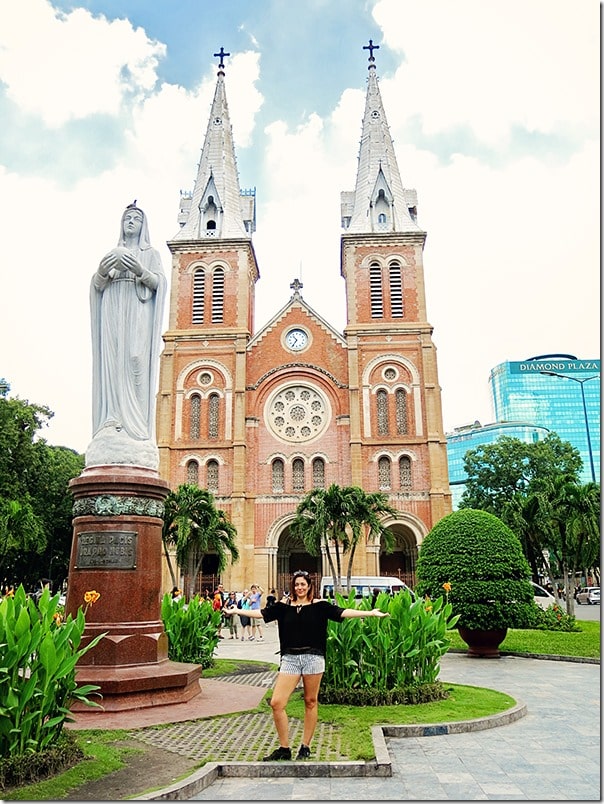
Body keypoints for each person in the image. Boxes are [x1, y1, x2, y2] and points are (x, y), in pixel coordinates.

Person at [225, 569, 389, 761]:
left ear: (309, 586)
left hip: (313, 658)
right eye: (296, 585)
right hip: (290, 659)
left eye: (303, 584)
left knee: (310, 701)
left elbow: (342, 612)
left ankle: (306, 746)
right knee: (277, 703)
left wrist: (369, 613)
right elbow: (260, 613)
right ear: (293, 587)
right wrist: (236, 610)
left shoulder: (320, 606)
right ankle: (284, 748)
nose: (300, 588)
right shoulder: (283, 607)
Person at [90, 203, 166, 442]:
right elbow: (97, 286)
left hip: (137, 309)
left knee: (135, 358)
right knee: (113, 362)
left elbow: (159, 284)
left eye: (136, 218)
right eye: (127, 218)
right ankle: (112, 418)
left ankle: (137, 425)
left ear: (144, 226)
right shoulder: (112, 253)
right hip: (113, 308)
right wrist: (102, 271)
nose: (131, 222)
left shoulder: (150, 254)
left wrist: (140, 270)